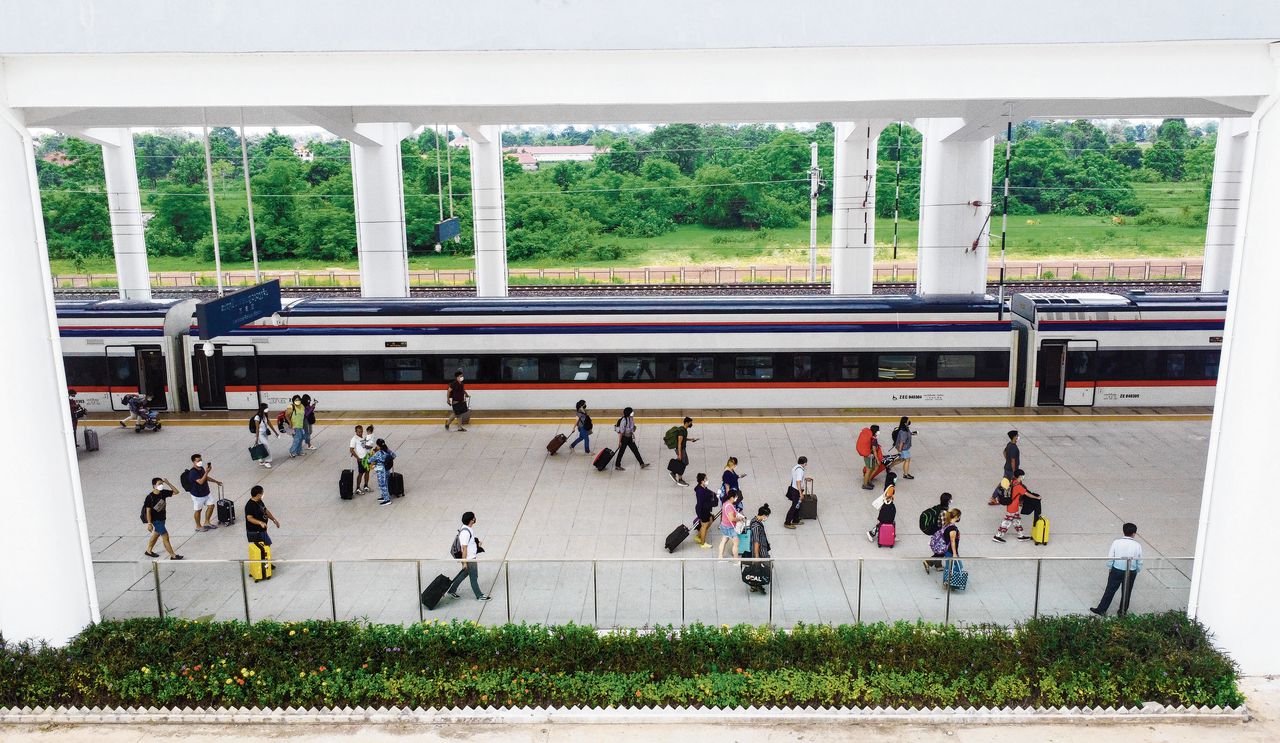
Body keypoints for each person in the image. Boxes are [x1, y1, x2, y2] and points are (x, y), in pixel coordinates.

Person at [1091, 523, 1143, 617]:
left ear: (1123, 531)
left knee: (1110, 590)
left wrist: (1110, 567)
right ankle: (1122, 612)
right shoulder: (1137, 545)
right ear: (1134, 533)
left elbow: (1111, 556)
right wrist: (1137, 570)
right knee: (1127, 592)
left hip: (1117, 569)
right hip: (1131, 570)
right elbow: (1139, 560)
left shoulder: (1116, 542)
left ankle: (1101, 609)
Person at [448, 511, 491, 601]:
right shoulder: (465, 533)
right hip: (470, 559)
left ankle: (451, 590)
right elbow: (464, 549)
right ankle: (479, 595)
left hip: (470, 557)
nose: (475, 519)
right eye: (474, 517)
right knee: (474, 576)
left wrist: (477, 545)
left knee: (464, 574)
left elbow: (469, 544)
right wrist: (464, 562)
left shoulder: (467, 528)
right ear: (471, 520)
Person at [142, 477, 183, 560]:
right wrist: (149, 524)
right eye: (159, 484)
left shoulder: (163, 493)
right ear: (154, 486)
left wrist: (168, 483)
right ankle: (173, 555)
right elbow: (148, 512)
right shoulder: (149, 497)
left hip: (162, 519)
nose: (161, 485)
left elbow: (176, 492)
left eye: (162, 483)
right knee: (165, 537)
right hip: (156, 521)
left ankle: (148, 551)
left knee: (156, 534)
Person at [993, 469, 1032, 543]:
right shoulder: (1018, 486)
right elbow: (1027, 494)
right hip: (1012, 508)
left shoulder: (1012, 481)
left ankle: (1021, 536)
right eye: (1022, 477)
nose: (1023, 478)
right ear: (1019, 476)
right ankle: (997, 536)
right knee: (1006, 522)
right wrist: (1037, 497)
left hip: (1013, 506)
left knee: (1017, 521)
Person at [186, 453, 222, 532]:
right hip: (198, 495)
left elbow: (206, 478)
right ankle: (198, 526)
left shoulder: (201, 468)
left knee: (211, 506)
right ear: (194, 462)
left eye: (201, 460)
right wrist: (207, 472)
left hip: (206, 492)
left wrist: (216, 481)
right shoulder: (193, 472)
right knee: (198, 510)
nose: (200, 462)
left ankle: (207, 522)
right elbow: (201, 481)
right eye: (198, 460)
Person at [921, 492, 953, 573]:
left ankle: (938, 564)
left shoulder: (940, 507)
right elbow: (944, 526)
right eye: (951, 499)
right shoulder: (944, 512)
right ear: (948, 501)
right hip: (940, 534)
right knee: (942, 550)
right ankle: (928, 562)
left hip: (937, 532)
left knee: (940, 549)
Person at [745, 503, 773, 594]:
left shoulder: (755, 520)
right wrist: (756, 556)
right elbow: (756, 541)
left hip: (761, 549)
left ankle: (755, 585)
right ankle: (756, 584)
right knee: (766, 566)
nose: (767, 518)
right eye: (767, 516)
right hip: (761, 552)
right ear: (764, 515)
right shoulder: (756, 526)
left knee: (758, 568)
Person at [612, 407, 650, 472]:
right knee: (621, 452)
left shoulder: (631, 418)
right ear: (629, 413)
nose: (633, 413)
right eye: (632, 412)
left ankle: (641, 463)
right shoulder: (623, 420)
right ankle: (617, 465)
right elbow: (621, 432)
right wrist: (620, 442)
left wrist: (633, 431)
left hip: (629, 438)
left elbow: (631, 427)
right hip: (624, 438)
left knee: (635, 450)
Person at [992, 430, 1020, 504]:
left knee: (1004, 483)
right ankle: (1018, 500)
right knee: (1012, 484)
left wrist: (1007, 460)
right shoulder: (1014, 447)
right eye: (1017, 436)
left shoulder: (1009, 444)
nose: (1018, 437)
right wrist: (1014, 472)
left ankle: (994, 497)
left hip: (1007, 467)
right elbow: (1013, 461)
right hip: (1011, 470)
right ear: (1014, 437)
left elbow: (1004, 452)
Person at [668, 417, 696, 486]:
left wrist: (690, 440)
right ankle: (679, 479)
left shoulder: (684, 430)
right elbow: (679, 443)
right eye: (690, 422)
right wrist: (680, 454)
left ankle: (674, 473)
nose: (691, 424)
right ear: (686, 423)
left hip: (682, 449)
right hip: (680, 449)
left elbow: (683, 439)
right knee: (683, 462)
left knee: (684, 462)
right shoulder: (681, 431)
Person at [716, 489, 743, 559]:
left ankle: (720, 556)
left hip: (724, 525)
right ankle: (736, 559)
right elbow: (731, 519)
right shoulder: (729, 507)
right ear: (731, 498)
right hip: (730, 528)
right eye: (735, 497)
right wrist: (739, 519)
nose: (736, 498)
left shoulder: (725, 503)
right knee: (736, 543)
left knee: (724, 540)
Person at [692, 473, 717, 548]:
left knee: (710, 520)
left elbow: (708, 492)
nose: (707, 480)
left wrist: (714, 494)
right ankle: (703, 543)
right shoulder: (700, 491)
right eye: (706, 479)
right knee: (704, 526)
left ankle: (698, 536)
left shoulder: (703, 488)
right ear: (702, 481)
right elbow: (700, 503)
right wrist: (700, 515)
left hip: (705, 510)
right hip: (703, 510)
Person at [940, 509, 963, 585]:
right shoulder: (952, 529)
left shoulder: (947, 524)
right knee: (958, 565)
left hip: (946, 549)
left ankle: (946, 581)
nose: (959, 518)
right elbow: (953, 541)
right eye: (959, 516)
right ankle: (951, 582)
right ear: (956, 516)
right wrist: (955, 553)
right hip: (951, 551)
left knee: (948, 566)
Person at [368, 438, 394, 506]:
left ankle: (387, 500)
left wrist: (373, 453)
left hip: (381, 471)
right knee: (385, 483)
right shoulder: (387, 450)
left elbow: (369, 460)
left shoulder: (378, 453)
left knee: (382, 484)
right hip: (387, 469)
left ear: (378, 446)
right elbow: (394, 455)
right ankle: (384, 496)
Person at [783, 456, 807, 529]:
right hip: (797, 490)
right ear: (804, 463)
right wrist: (800, 493)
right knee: (794, 506)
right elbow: (798, 481)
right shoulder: (800, 470)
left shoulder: (795, 467)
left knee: (797, 505)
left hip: (794, 489)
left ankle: (795, 520)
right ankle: (787, 522)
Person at [250, 403, 276, 469]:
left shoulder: (265, 416)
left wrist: (275, 432)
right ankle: (267, 461)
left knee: (262, 446)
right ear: (263, 409)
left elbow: (269, 423)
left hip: (265, 434)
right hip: (260, 434)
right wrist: (256, 438)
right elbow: (257, 428)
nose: (267, 409)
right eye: (266, 408)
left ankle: (261, 460)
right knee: (267, 446)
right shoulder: (257, 417)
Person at [349, 425, 372, 493]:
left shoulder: (362, 437)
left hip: (366, 458)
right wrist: (357, 458)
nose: (361, 433)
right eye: (359, 432)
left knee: (367, 471)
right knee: (361, 473)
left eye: (361, 431)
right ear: (356, 431)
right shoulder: (354, 439)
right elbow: (351, 450)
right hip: (361, 459)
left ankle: (366, 486)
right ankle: (358, 488)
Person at [857, 425, 881, 490]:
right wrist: (877, 460)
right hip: (870, 456)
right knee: (869, 470)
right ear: (876, 431)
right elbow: (874, 450)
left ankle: (868, 481)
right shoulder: (873, 439)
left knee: (873, 468)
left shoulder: (871, 437)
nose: (879, 431)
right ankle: (865, 484)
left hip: (868, 456)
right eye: (878, 430)